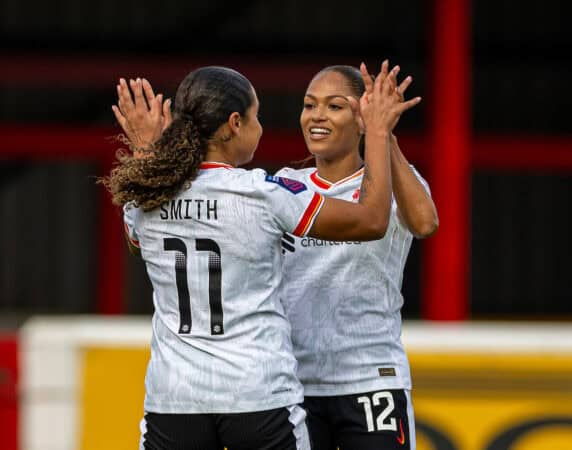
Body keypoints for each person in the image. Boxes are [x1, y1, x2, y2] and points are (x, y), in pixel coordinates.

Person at [102, 64, 420, 450]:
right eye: (257, 117)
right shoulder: (261, 193)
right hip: (257, 392)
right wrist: (380, 132)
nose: (261, 128)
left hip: (175, 397)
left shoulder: (147, 197)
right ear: (235, 123)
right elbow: (371, 220)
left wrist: (147, 153)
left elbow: (137, 241)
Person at [277, 62, 438, 450]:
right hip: (293, 383)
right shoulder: (284, 186)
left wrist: (383, 134)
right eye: (309, 105)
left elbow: (424, 222)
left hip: (371, 380)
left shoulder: (390, 186)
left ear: (361, 117)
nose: (316, 116)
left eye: (334, 106)